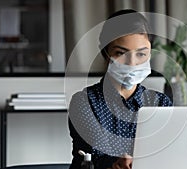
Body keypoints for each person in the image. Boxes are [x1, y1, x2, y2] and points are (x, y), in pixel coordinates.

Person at [68, 9, 172, 169]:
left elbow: (168, 155)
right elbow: (98, 156)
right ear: (105, 52)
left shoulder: (160, 103)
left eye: (141, 54)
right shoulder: (84, 102)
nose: (132, 63)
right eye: (121, 53)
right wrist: (117, 163)